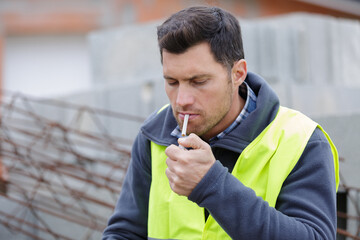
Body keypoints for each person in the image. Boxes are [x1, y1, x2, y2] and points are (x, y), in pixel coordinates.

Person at [102, 6, 339, 240]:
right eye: (172, 82)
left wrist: (212, 184)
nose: (182, 100)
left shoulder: (301, 141)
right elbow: (124, 233)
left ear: (237, 74)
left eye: (199, 81)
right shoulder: (154, 135)